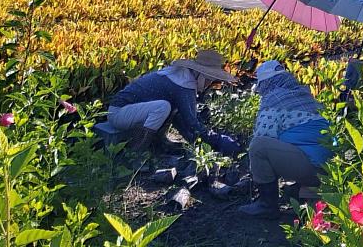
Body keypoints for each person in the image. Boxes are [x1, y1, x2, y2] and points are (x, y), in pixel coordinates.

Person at [238, 60, 333, 218]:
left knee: (258, 147)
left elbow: (263, 134)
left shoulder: (274, 100)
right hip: (331, 167)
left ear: (266, 83)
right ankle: (296, 189)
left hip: (313, 168)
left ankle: (267, 205)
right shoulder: (304, 95)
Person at [107, 49, 241, 155]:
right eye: (209, 80)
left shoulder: (179, 76)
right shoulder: (183, 84)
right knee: (163, 107)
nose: (209, 84)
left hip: (127, 111)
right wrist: (216, 141)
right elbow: (191, 122)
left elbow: (180, 117)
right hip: (119, 113)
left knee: (169, 107)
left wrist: (197, 139)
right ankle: (137, 151)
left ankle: (158, 142)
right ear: (200, 74)